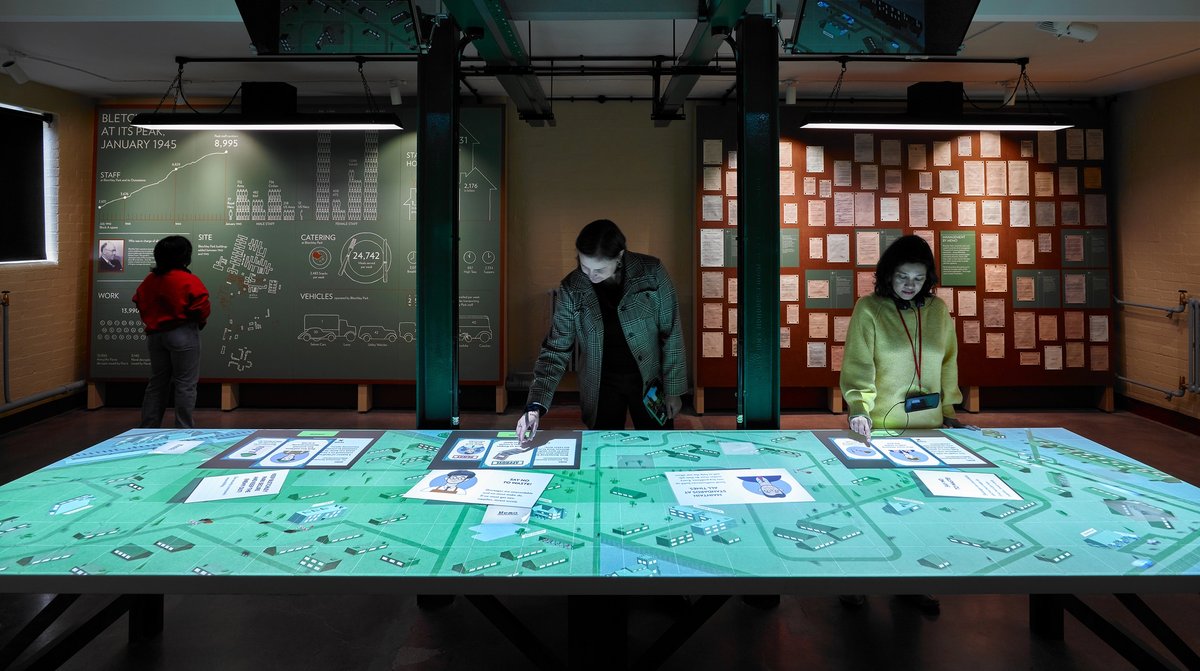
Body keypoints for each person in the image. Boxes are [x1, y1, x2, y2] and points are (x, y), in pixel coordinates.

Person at [838, 234, 963, 615]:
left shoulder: (939, 311)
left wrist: (951, 411)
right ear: (887, 275)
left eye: (918, 278)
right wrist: (858, 408)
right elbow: (860, 364)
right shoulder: (869, 309)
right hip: (879, 427)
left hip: (928, 425)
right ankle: (857, 579)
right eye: (902, 276)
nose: (910, 285)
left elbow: (948, 362)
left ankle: (914, 580)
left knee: (923, 508)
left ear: (929, 279)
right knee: (871, 505)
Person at [517, 219, 686, 442]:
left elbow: (671, 332)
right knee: (604, 445)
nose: (590, 275)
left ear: (619, 257)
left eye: (599, 269)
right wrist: (535, 406)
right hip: (600, 381)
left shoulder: (651, 272)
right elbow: (556, 348)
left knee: (659, 441)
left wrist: (674, 390)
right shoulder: (572, 287)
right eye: (583, 266)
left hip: (648, 378)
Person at [133, 235, 210, 429]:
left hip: (155, 335)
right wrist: (197, 321)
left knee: (157, 382)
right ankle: (183, 429)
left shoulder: (150, 280)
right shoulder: (187, 280)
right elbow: (201, 306)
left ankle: (148, 427)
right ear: (185, 256)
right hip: (182, 333)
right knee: (185, 383)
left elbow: (139, 300)